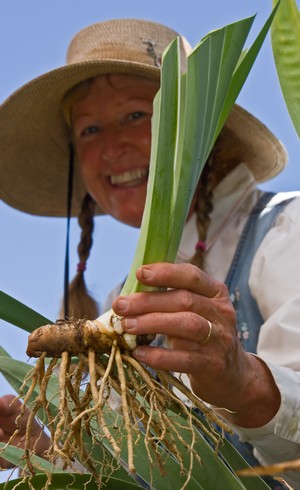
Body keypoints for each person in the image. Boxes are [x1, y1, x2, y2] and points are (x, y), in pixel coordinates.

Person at [0, 18, 299, 489]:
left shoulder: (286, 227)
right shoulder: (124, 300)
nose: (113, 148)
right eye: (91, 129)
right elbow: (148, 471)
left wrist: (243, 381)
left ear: (199, 135)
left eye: (137, 116)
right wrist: (47, 446)